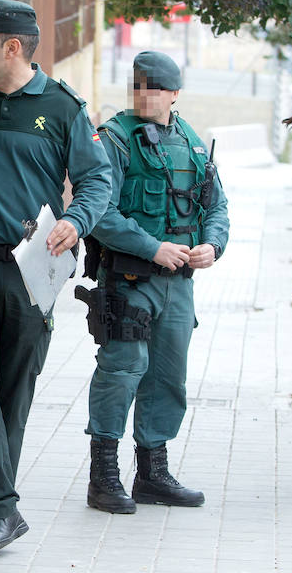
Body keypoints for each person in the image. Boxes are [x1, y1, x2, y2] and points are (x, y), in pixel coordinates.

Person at [0, 0, 111, 550]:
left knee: (15, 388)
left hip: (32, 271)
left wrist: (77, 222)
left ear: (10, 47)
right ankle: (1, 508)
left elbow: (96, 179)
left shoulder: (62, 108)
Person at [80, 51, 229, 513]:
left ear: (174, 93)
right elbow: (100, 212)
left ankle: (153, 473)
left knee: (168, 376)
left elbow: (217, 206)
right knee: (122, 370)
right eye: (139, 86)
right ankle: (104, 477)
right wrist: (153, 247)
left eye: (155, 87)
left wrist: (212, 246)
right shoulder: (115, 139)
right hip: (129, 279)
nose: (145, 95)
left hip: (179, 283)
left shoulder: (193, 141)